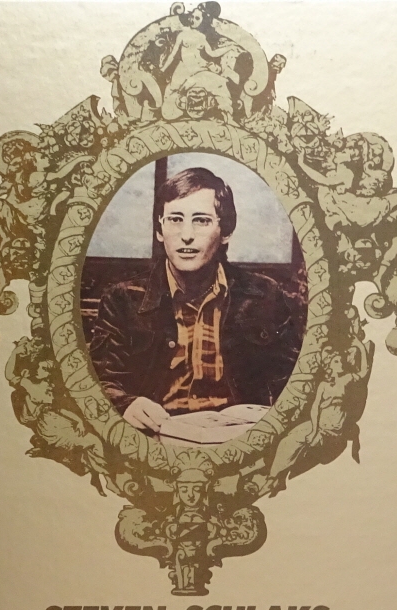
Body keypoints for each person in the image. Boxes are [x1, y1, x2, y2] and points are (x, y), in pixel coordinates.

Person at [90, 167, 301, 433]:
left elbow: (295, 381)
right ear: (159, 230)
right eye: (175, 219)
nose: (186, 235)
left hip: (239, 435)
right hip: (157, 435)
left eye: (201, 220)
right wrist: (125, 404)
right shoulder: (122, 300)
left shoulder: (265, 296)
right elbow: (98, 381)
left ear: (225, 231)